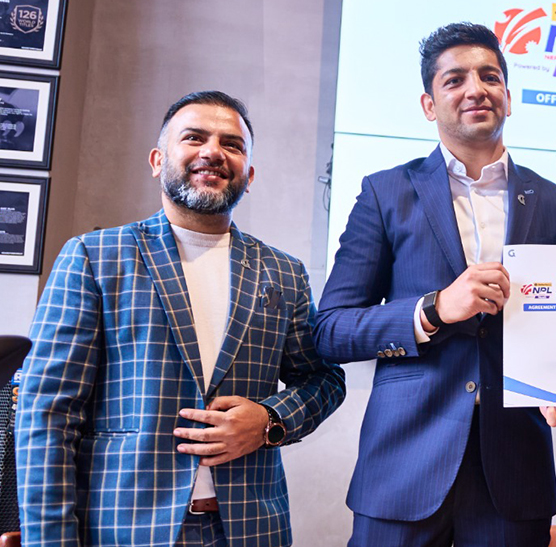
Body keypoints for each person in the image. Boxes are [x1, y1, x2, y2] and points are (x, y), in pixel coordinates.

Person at [314, 22, 556, 547]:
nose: (476, 89)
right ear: (429, 105)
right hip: (403, 465)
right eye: (455, 80)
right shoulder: (385, 193)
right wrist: (434, 308)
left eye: (490, 77)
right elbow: (331, 329)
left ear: (509, 97)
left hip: (515, 470)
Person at [16, 91, 346, 547]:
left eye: (232, 144)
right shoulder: (94, 257)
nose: (213, 151)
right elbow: (48, 414)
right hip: (123, 530)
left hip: (251, 530)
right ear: (158, 161)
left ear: (249, 175)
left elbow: (324, 379)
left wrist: (270, 419)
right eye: (194, 138)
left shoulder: (283, 272)